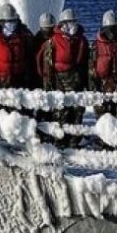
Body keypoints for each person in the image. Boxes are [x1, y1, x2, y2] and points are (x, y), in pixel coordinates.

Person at [37, 9, 88, 147]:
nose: (70, 25)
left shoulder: (82, 40)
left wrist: (87, 83)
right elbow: (45, 62)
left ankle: (74, 141)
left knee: (77, 112)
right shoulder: (54, 41)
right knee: (61, 112)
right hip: (60, 81)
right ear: (61, 24)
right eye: (67, 22)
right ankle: (59, 140)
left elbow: (87, 63)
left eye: (72, 22)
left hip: (77, 80)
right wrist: (47, 82)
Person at [0, 4, 35, 89]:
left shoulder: (24, 36)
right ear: (1, 22)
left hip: (18, 83)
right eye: (7, 22)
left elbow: (29, 59)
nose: (10, 25)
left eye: (12, 22)